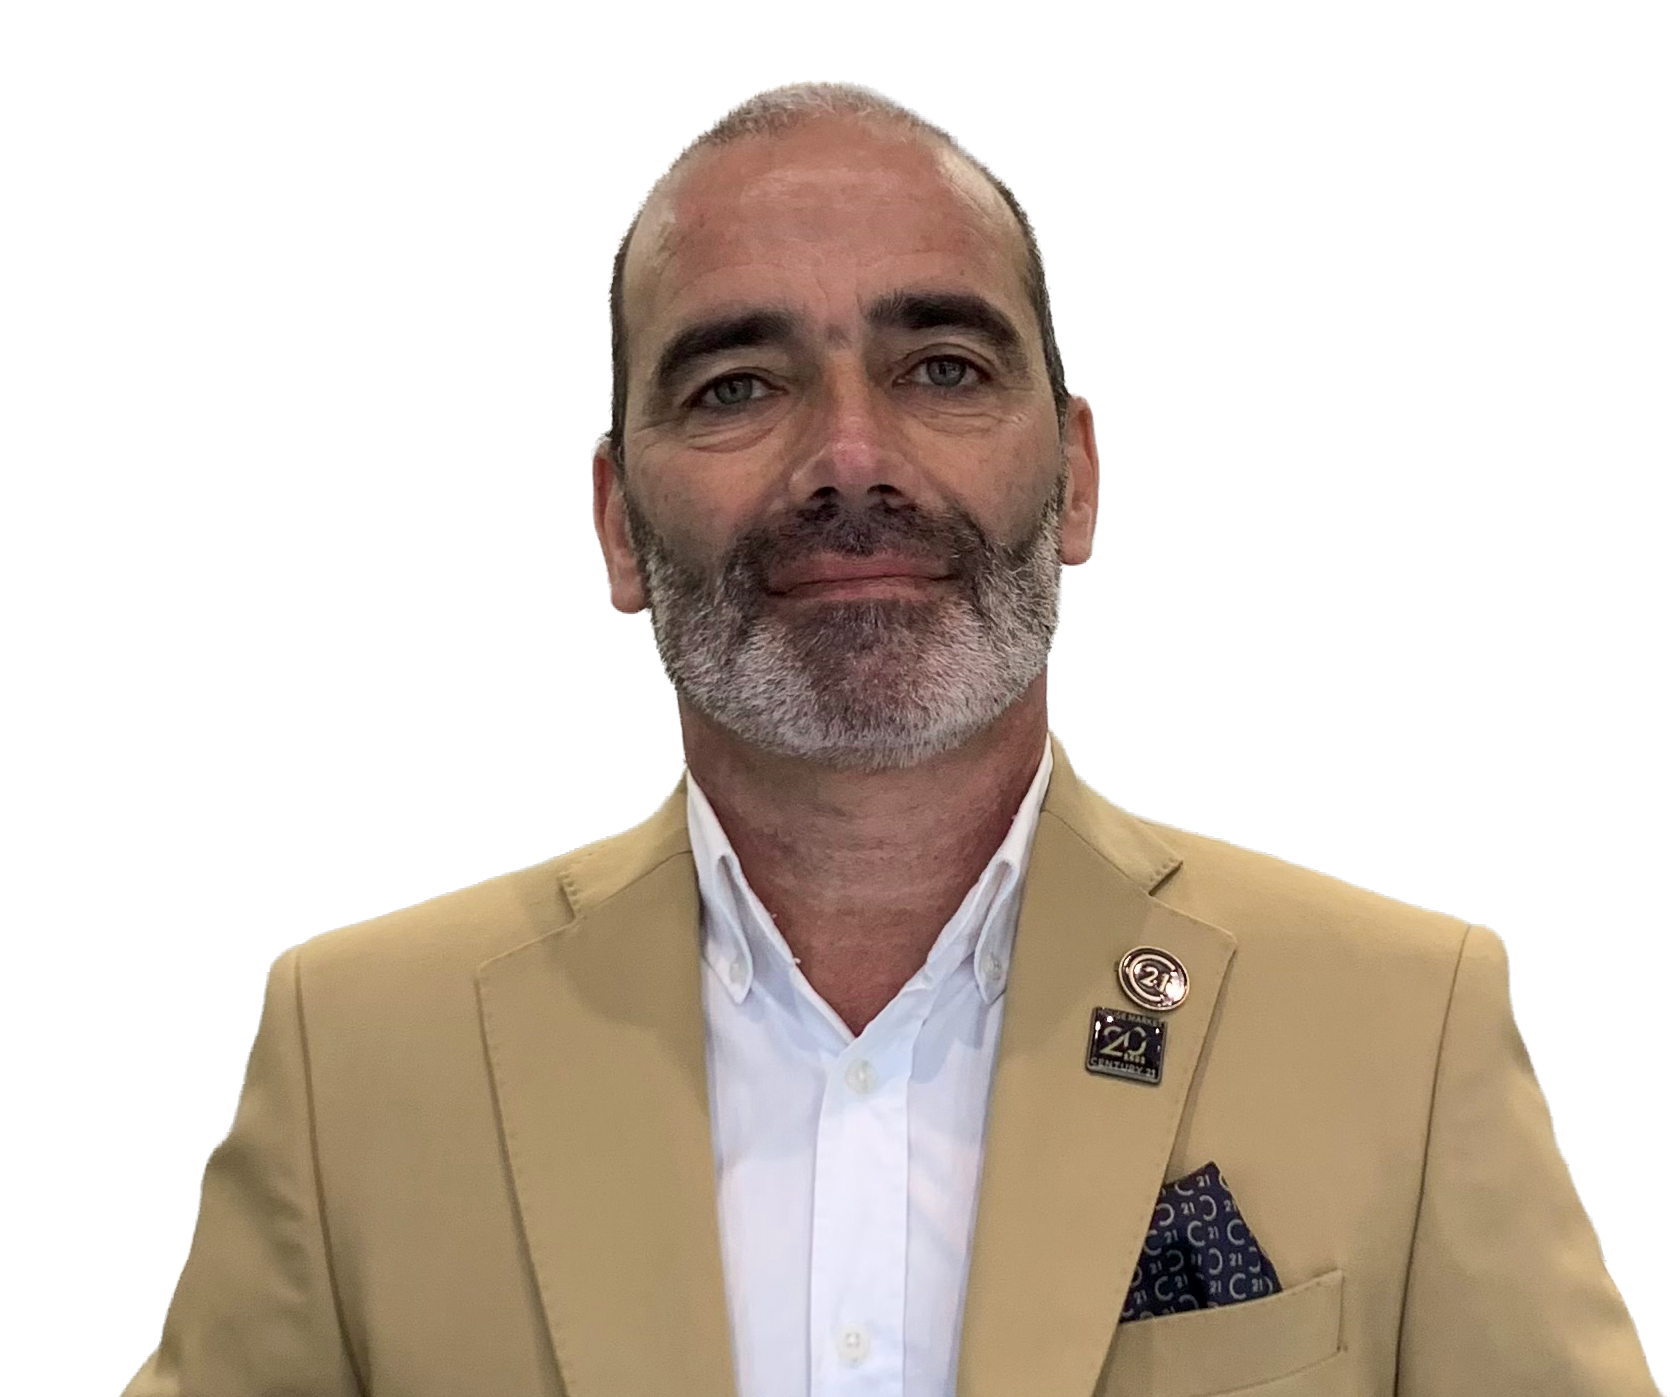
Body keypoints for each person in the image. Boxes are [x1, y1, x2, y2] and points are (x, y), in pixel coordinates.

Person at [123, 82, 1659, 1397]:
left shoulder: (1399, 1023)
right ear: (615, 524)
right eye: (735, 385)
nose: (849, 457)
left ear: (1077, 477)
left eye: (943, 369)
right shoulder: (359, 1053)